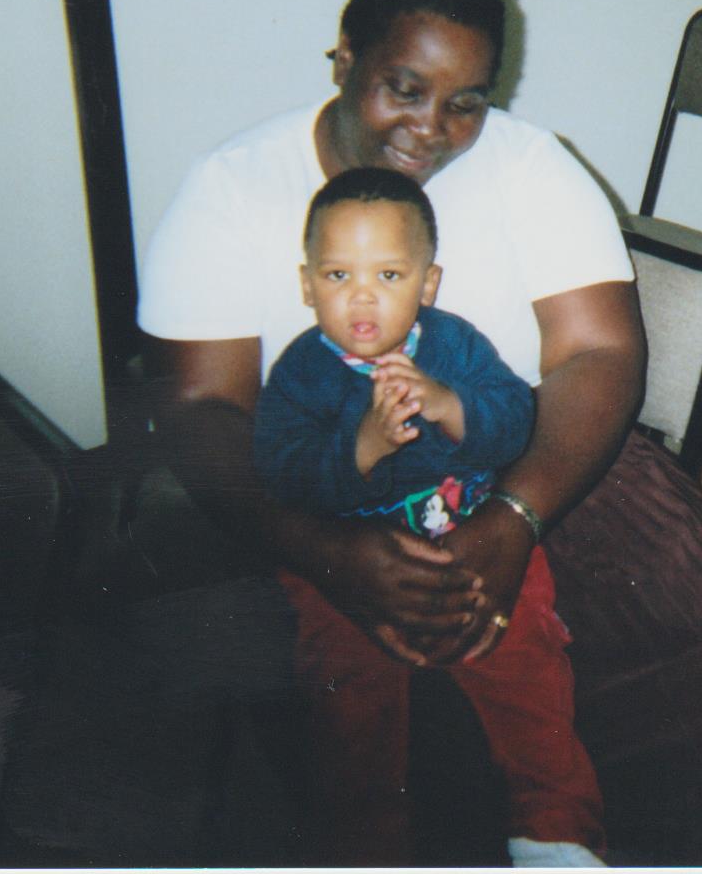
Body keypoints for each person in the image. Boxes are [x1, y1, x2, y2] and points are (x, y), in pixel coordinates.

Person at [138, 0, 702, 865]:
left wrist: (516, 517)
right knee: (371, 726)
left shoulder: (531, 168)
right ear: (345, 61)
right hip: (317, 480)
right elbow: (199, 409)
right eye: (404, 89)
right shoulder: (230, 190)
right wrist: (325, 550)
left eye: (465, 102)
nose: (431, 128)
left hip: (522, 439)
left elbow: (601, 353)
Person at [252, 167, 605, 867]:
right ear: (306, 285)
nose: (362, 296)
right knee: (347, 693)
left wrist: (449, 405)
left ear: (428, 283)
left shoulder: (454, 345)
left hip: (467, 536)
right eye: (338, 275)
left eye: (388, 275)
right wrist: (361, 448)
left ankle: (553, 826)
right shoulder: (301, 373)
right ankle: (366, 839)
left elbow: (516, 419)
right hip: (351, 563)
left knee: (530, 668)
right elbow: (281, 473)